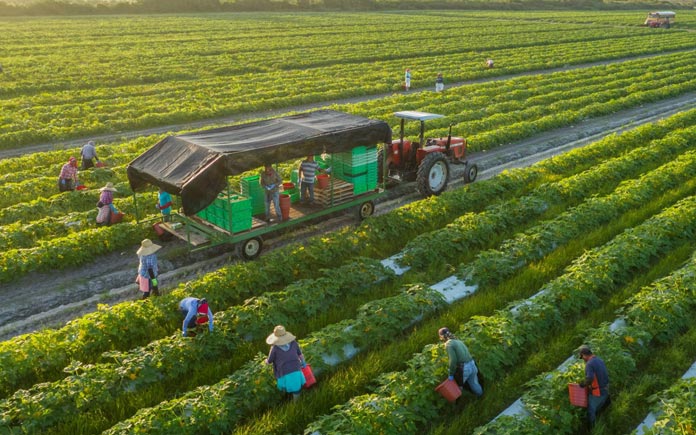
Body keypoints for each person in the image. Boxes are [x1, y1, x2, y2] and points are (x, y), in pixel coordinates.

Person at [438, 327, 483, 397]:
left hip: (465, 368)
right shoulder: (458, 341)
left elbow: (453, 360)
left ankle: (463, 403)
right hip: (472, 364)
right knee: (474, 384)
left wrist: (451, 374)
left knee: (457, 388)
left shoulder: (448, 344)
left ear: (441, 337)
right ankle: (482, 397)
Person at [266, 325, 307, 400]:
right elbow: (300, 354)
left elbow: (269, 361)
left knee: (285, 385)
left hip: (283, 371)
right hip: (296, 368)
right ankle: (296, 401)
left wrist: (266, 361)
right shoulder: (293, 343)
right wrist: (304, 363)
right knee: (296, 388)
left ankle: (286, 398)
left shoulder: (274, 348)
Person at [577, 345, 610, 428]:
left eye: (582, 357)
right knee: (599, 408)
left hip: (597, 392)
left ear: (584, 355)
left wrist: (583, 384)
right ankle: (603, 420)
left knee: (591, 411)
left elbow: (590, 378)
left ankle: (593, 428)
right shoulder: (599, 359)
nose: (583, 359)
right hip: (606, 389)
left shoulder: (589, 364)